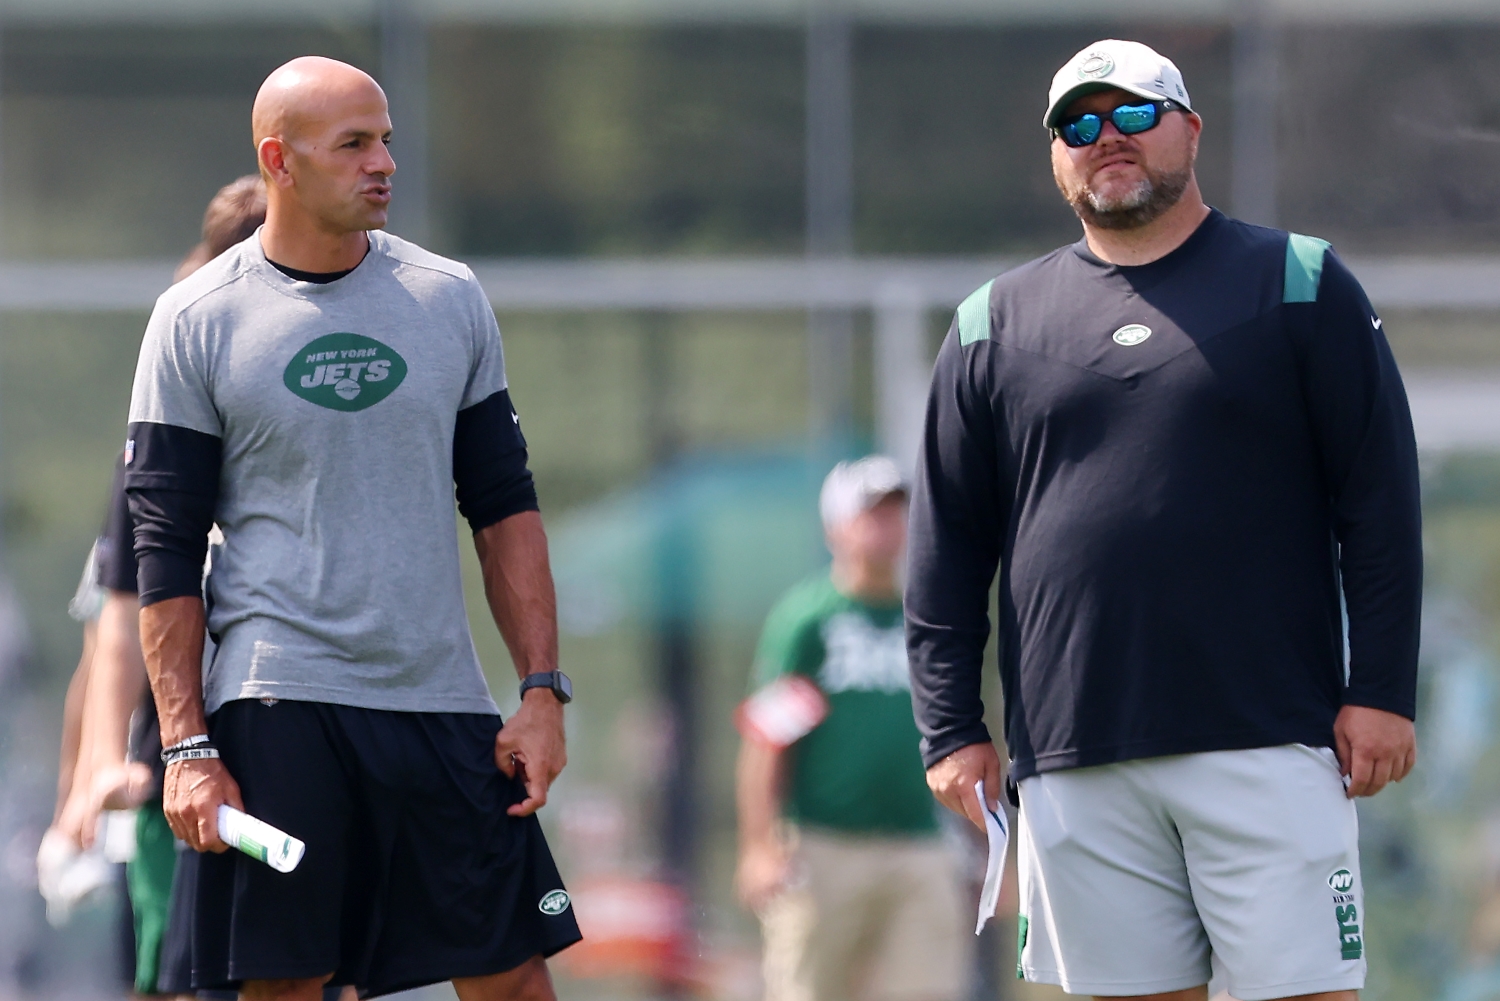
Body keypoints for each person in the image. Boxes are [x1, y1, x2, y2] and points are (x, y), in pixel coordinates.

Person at [905, 39, 1422, 1001]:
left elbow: (1381, 504)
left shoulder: (1302, 283)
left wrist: (1383, 687)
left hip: (1268, 736)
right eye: (1079, 125)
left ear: (1189, 127)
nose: (1108, 138)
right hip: (1075, 753)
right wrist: (949, 729)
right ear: (1057, 157)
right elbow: (944, 550)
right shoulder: (989, 323)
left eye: (1134, 115)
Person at [124, 56, 580, 1001]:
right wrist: (187, 747)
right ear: (279, 161)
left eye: (386, 141)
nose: (383, 164)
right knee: (290, 986)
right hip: (278, 704)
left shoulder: (448, 298)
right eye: (354, 145)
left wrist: (540, 689)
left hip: (442, 702)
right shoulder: (195, 320)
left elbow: (503, 504)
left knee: (515, 976)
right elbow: (164, 554)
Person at [736, 456, 964, 1001]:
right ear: (835, 527)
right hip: (822, 845)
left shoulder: (929, 621)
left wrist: (989, 844)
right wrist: (759, 846)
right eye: (871, 514)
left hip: (920, 843)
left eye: (896, 513)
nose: (887, 527)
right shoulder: (810, 621)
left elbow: (967, 734)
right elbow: (767, 741)